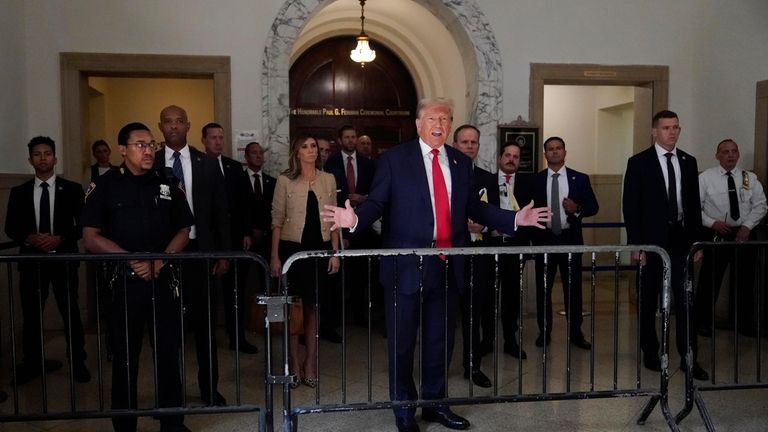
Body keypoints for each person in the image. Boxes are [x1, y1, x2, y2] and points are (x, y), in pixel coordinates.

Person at [321, 97, 550, 432]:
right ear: (418, 123)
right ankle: (403, 408)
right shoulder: (395, 160)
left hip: (447, 264)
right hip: (405, 266)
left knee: (441, 340)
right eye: (432, 118)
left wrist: (514, 217)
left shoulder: (459, 161)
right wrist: (354, 220)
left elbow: (475, 207)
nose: (439, 124)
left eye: (445, 118)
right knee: (402, 342)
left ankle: (435, 404)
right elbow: (378, 203)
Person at [82, 122, 193, 432]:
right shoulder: (105, 186)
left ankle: (173, 422)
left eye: (151, 144)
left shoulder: (168, 181)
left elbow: (184, 229)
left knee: (169, 355)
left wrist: (161, 259)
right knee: (126, 358)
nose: (148, 150)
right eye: (140, 145)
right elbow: (90, 237)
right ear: (123, 149)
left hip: (163, 279)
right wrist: (131, 260)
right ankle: (125, 425)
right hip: (125, 282)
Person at [154, 105, 231, 405]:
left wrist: (223, 254)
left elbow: (220, 213)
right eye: (167, 122)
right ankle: (170, 393)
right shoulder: (153, 161)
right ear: (160, 126)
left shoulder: (206, 163)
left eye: (179, 122)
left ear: (188, 125)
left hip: (200, 254)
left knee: (205, 325)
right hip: (164, 255)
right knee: (166, 327)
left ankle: (209, 388)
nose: (173, 126)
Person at [623, 110, 708, 380]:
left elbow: (693, 205)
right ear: (654, 131)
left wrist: (698, 243)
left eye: (676, 127)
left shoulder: (688, 161)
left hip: (682, 240)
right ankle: (651, 350)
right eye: (666, 128)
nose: (672, 132)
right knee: (648, 298)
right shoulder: (639, 162)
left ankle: (688, 355)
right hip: (651, 242)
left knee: (685, 299)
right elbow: (631, 206)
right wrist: (636, 245)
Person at [5, 136, 90, 386]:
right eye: (37, 154)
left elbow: (84, 223)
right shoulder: (19, 192)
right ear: (30, 160)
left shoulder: (73, 189)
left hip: (63, 260)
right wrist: (30, 237)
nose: (43, 158)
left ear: (55, 157)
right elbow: (11, 227)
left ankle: (78, 362)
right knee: (32, 315)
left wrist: (60, 238)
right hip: (32, 262)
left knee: (71, 313)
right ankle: (32, 362)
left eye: (47, 153)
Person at [270, 135, 341, 389]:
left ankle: (310, 362)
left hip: (319, 249)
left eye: (314, 146)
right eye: (305, 146)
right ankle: (293, 363)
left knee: (313, 309)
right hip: (292, 251)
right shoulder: (285, 181)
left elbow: (334, 219)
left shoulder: (328, 179)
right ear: (296, 152)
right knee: (294, 311)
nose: (311, 150)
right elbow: (276, 220)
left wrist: (335, 253)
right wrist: (275, 256)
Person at [696, 139, 767, 337]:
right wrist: (712, 223)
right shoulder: (706, 178)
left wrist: (747, 226)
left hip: (744, 234)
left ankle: (743, 323)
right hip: (717, 233)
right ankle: (702, 322)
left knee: (746, 280)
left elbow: (761, 205)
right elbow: (695, 207)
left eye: (734, 151)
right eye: (725, 152)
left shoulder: (749, 178)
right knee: (710, 281)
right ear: (717, 155)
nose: (730, 155)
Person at [531, 137, 596, 350]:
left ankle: (576, 333)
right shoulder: (536, 180)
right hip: (545, 241)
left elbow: (593, 207)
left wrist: (576, 208)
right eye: (550, 149)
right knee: (544, 289)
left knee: (573, 289)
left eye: (558, 148)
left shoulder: (580, 178)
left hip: (570, 240)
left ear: (565, 152)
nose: (555, 152)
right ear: (545, 154)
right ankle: (544, 331)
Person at [201, 122, 259, 354]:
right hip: (206, 240)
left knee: (235, 290)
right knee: (205, 293)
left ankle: (237, 337)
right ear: (204, 140)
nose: (217, 141)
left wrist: (246, 232)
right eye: (213, 137)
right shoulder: (197, 165)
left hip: (234, 239)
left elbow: (246, 203)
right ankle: (205, 339)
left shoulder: (234, 168)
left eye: (220, 137)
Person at [450, 124, 495, 388]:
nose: (469, 146)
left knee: (473, 314)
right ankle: (437, 366)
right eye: (464, 142)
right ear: (455, 145)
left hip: (477, 257)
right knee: (443, 314)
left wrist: (485, 226)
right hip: (447, 255)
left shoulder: (488, 178)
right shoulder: (443, 173)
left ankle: (472, 364)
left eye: (473, 142)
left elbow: (495, 214)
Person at [324, 125, 377, 339]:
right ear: (340, 140)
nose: (351, 140)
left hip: (363, 223)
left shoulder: (368, 164)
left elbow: (377, 189)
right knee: (338, 275)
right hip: (339, 224)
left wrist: (364, 199)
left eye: (353, 137)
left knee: (361, 274)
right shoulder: (332, 162)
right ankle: (336, 318)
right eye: (347, 137)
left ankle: (361, 315)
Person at [489, 140, 533, 359]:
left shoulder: (528, 184)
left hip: (515, 247)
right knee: (487, 294)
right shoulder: (487, 181)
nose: (511, 159)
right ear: (500, 158)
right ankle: (486, 340)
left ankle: (510, 340)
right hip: (489, 246)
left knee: (512, 295)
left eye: (516, 157)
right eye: (507, 155)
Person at [242, 141, 276, 284]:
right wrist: (247, 232)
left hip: (267, 238)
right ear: (246, 157)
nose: (258, 156)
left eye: (261, 153)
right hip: (246, 240)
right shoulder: (238, 180)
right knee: (244, 279)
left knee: (267, 280)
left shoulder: (272, 182)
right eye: (254, 153)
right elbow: (239, 210)